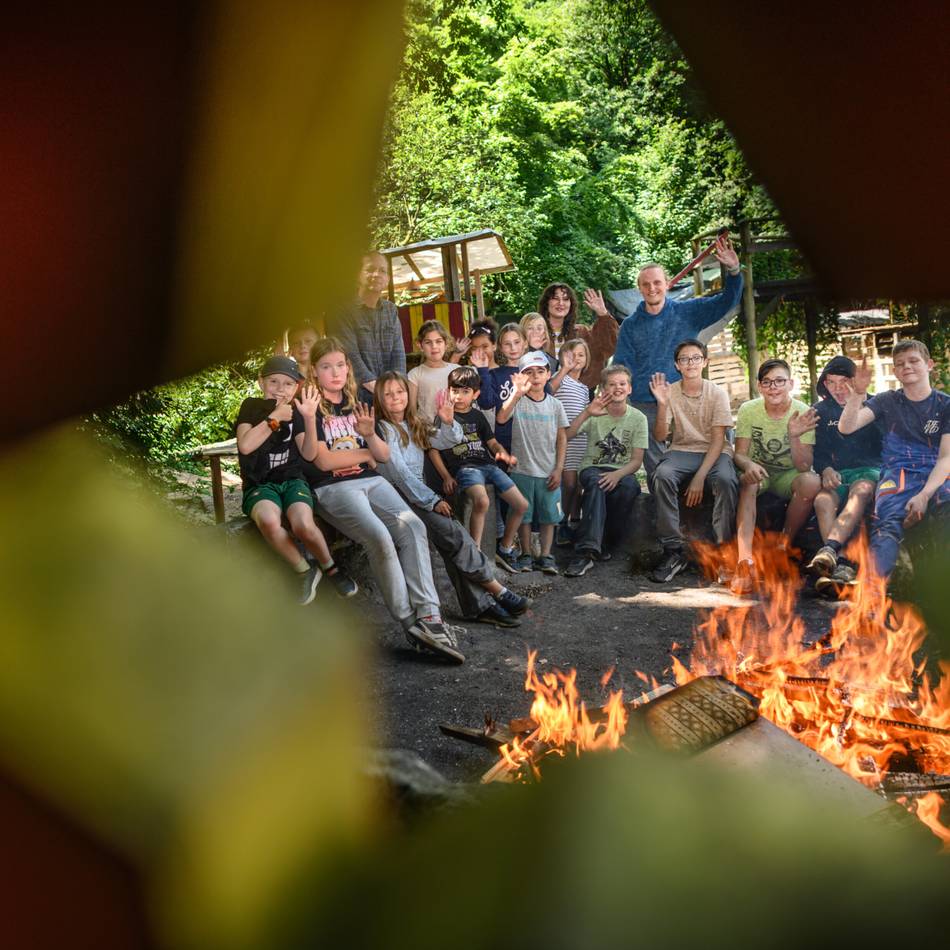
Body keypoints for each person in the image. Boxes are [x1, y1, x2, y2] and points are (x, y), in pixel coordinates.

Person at [297, 337, 464, 663]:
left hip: (371, 480)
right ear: (315, 371)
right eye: (327, 366)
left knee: (414, 526)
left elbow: (382, 454)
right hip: (332, 488)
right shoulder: (307, 404)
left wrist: (370, 436)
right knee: (379, 536)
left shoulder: (359, 399)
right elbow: (322, 462)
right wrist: (365, 453)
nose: (336, 372)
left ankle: (430, 616)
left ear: (348, 367)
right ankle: (410, 623)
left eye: (341, 365)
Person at [372, 371, 532, 628]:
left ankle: (479, 606)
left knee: (453, 541)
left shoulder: (414, 422)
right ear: (379, 398)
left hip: (419, 495)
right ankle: (497, 590)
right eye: (388, 393)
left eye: (400, 391)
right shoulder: (381, 428)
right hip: (400, 497)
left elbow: (448, 439)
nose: (395, 398)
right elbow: (399, 474)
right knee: (454, 535)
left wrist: (447, 421)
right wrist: (432, 500)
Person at [610, 234, 742, 477]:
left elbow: (726, 302)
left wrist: (734, 271)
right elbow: (622, 366)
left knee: (691, 458)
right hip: (645, 402)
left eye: (657, 283)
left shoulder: (688, 311)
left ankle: (696, 501)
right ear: (639, 288)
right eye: (646, 284)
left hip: (686, 400)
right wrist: (619, 399)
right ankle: (664, 513)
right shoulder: (630, 325)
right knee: (659, 472)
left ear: (667, 284)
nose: (652, 288)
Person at [234, 355, 357, 605]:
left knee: (302, 522)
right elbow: (246, 446)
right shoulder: (251, 406)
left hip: (292, 479)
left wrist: (310, 418)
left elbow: (310, 452)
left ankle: (330, 568)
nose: (280, 389)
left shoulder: (299, 410)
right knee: (268, 520)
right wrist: (275, 417)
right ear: (261, 382)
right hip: (259, 484)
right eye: (274, 382)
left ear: (297, 387)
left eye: (288, 384)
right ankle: (304, 569)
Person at [838, 341, 949, 580]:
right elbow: (847, 427)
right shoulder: (886, 401)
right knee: (887, 523)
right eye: (899, 364)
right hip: (897, 474)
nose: (906, 366)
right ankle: (872, 591)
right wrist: (857, 394)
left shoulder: (945, 405)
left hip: (938, 471)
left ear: (929, 365)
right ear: (895, 372)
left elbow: (946, 458)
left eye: (913, 361)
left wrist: (924, 495)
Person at [647, 339, 738, 583]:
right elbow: (660, 436)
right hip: (682, 449)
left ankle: (723, 551)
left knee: (726, 480)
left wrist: (699, 478)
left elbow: (719, 440)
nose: (691, 363)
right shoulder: (671, 392)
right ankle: (673, 549)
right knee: (662, 475)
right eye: (685, 359)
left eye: (696, 358)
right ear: (677, 365)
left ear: (705, 362)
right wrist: (663, 404)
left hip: (715, 451)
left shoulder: (717, 393)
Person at [732, 359, 820, 593]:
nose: (773, 387)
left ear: (790, 383)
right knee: (749, 483)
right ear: (759, 386)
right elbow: (738, 454)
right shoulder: (748, 410)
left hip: (789, 473)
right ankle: (744, 560)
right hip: (759, 469)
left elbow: (804, 466)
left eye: (779, 381)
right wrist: (749, 464)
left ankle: (784, 546)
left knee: (811, 482)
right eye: (767, 382)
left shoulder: (803, 412)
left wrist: (794, 436)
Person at [427, 366, 528, 567]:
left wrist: (501, 452)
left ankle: (505, 547)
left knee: (522, 505)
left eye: (465, 392)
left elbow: (491, 442)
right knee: (482, 501)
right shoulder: (444, 416)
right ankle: (476, 552)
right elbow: (432, 450)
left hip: (489, 466)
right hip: (465, 468)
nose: (459, 396)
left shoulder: (478, 416)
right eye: (455, 391)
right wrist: (446, 476)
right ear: (448, 392)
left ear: (476, 394)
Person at [805, 355, 883, 594]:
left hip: (868, 470)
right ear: (824, 385)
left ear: (855, 382)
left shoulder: (873, 405)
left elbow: (884, 447)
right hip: (837, 474)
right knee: (822, 500)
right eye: (831, 382)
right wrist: (825, 469)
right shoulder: (820, 411)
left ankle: (836, 556)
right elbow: (817, 453)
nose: (838, 389)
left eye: (844, 382)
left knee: (860, 492)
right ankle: (838, 567)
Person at [562, 366, 648, 577]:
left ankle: (606, 541)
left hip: (623, 471)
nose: (617, 388)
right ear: (603, 389)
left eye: (622, 384)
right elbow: (567, 435)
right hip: (592, 468)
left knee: (630, 487)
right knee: (597, 482)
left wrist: (617, 475)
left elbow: (637, 461)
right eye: (612, 384)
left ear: (629, 389)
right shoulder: (595, 411)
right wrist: (586, 412)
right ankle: (586, 552)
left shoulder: (638, 418)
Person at [497, 352, 569, 573]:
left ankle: (546, 556)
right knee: (524, 517)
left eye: (540, 371)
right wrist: (516, 393)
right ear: (521, 376)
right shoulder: (518, 400)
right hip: (522, 470)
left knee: (549, 517)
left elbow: (561, 438)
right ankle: (526, 554)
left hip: (548, 471)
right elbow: (501, 418)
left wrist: (559, 468)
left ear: (548, 374)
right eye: (529, 372)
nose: (535, 377)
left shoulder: (555, 405)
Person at [335, 250, 406, 404]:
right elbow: (350, 356)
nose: (377, 274)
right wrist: (382, 392)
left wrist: (396, 389)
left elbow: (398, 354)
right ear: (357, 275)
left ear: (388, 278)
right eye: (370, 269)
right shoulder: (342, 311)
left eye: (382, 271)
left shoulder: (391, 310)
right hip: (358, 397)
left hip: (390, 397)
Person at [537, 284, 619, 389]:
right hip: (542, 397)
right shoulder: (535, 333)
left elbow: (609, 345)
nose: (561, 303)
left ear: (571, 304)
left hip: (580, 397)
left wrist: (603, 314)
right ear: (546, 303)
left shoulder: (582, 332)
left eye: (566, 299)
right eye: (555, 298)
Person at [550, 339, 592, 544]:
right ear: (562, 357)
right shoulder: (559, 379)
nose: (576, 358)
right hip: (562, 440)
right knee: (567, 483)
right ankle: (560, 522)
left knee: (577, 485)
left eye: (581, 355)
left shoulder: (584, 388)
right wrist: (564, 369)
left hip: (580, 440)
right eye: (571, 354)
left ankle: (574, 521)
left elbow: (587, 414)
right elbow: (549, 391)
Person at [407, 319, 460, 422]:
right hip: (427, 431)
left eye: (438, 341)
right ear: (420, 345)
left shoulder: (456, 370)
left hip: (454, 430)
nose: (434, 346)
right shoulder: (414, 375)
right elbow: (411, 410)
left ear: (446, 343)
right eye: (428, 342)